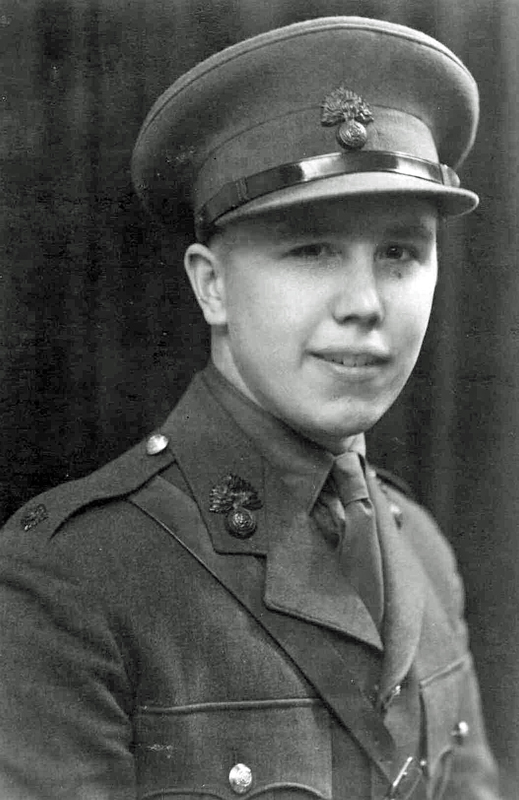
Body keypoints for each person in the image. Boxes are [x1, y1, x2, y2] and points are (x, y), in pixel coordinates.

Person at [0, 16, 502, 800]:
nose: (365, 303)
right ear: (211, 286)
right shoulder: (73, 581)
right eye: (311, 250)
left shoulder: (423, 551)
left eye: (400, 253)